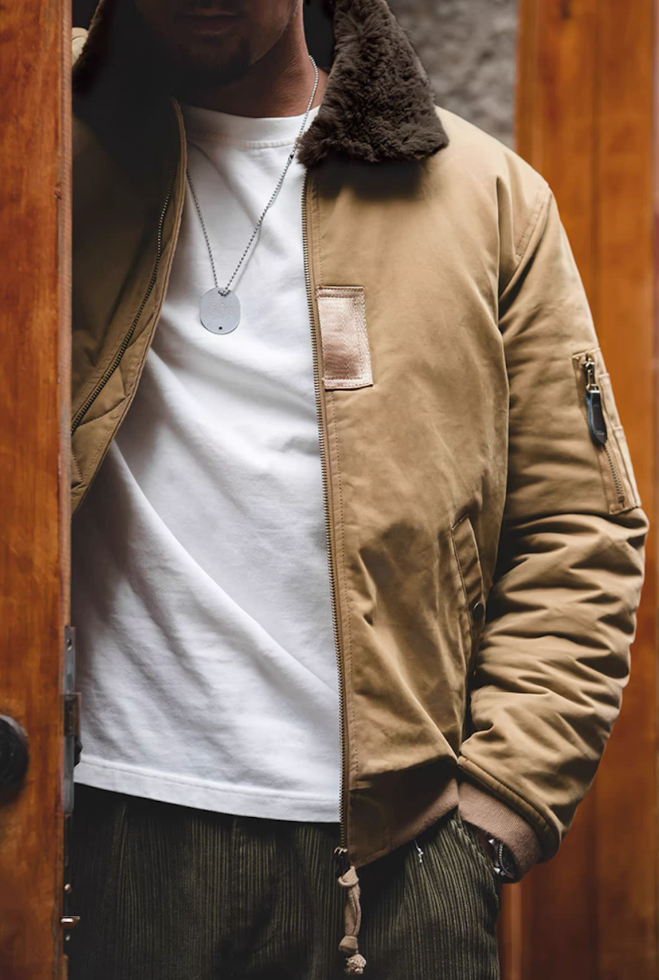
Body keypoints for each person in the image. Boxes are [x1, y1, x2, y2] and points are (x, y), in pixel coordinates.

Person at [66, 1, 648, 977]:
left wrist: (492, 812)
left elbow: (577, 525)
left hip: (401, 851)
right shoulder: (29, 161)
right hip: (122, 836)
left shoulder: (483, 197)